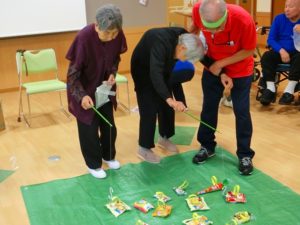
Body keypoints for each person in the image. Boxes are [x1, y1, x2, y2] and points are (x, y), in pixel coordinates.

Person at [190, 0, 256, 175]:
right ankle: (207, 146)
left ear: (225, 15)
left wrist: (221, 64)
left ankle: (245, 154)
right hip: (212, 67)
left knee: (241, 112)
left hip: (240, 69)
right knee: (209, 108)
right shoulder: (198, 9)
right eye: (209, 29)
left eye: (218, 28)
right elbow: (193, 30)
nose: (213, 33)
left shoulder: (243, 19)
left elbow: (249, 49)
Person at [66, 4, 127, 179]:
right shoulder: (84, 38)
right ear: (96, 25)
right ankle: (93, 164)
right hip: (83, 89)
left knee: (109, 125)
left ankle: (108, 156)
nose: (111, 37)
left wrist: (112, 74)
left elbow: (115, 58)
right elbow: (72, 76)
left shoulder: (116, 33)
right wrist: (82, 95)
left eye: (115, 33)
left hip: (104, 88)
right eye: (107, 33)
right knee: (89, 129)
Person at [131, 27, 204, 164]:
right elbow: (155, 73)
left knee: (167, 105)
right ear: (182, 48)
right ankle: (144, 148)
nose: (186, 61)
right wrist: (170, 99)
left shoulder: (186, 38)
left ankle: (164, 137)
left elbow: (170, 80)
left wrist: (177, 101)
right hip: (143, 67)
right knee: (149, 107)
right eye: (187, 57)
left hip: (163, 66)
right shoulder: (160, 42)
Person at [259, 0, 300, 106]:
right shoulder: (279, 18)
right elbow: (271, 39)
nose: (287, 9)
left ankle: (289, 91)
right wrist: (281, 51)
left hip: (297, 53)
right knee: (267, 56)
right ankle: (270, 89)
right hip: (280, 51)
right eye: (286, 6)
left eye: (291, 7)